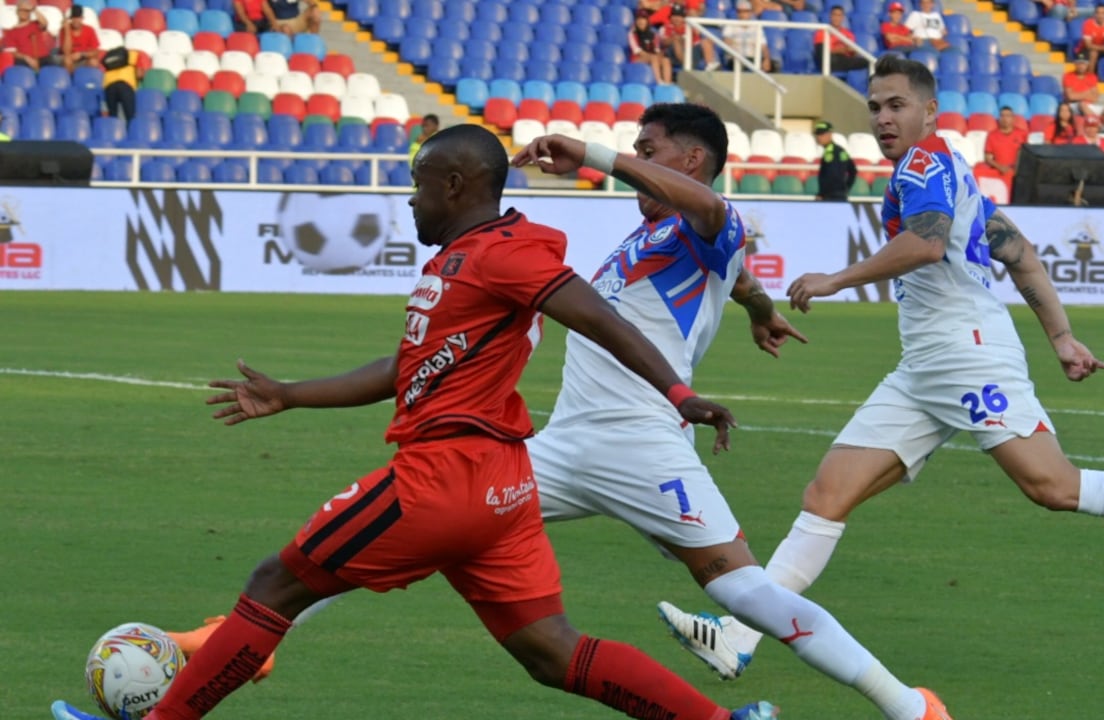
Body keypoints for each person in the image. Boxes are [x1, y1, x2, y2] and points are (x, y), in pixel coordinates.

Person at [152, 104, 958, 720]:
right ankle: (247, 640)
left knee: (741, 591)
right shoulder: (651, 243)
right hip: (559, 447)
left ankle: (906, 705)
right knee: (431, 538)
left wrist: (600, 156)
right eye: (634, 151)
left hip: (645, 445)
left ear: (692, 161)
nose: (637, 164)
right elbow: (730, 271)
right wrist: (750, 304)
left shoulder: (709, 219)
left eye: (650, 152)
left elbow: (717, 224)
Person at [48, 124, 778, 720]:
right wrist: (291, 394)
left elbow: (591, 314)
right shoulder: (462, 261)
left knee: (276, 584)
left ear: (455, 184)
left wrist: (678, 396)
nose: (410, 199)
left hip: (443, 480)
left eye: (419, 184)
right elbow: (405, 368)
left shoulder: (505, 253)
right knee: (551, 652)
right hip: (502, 490)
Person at [657, 53, 1104, 684]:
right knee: (827, 493)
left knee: (1054, 487)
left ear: (930, 111)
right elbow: (1020, 253)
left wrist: (838, 278)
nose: (883, 118)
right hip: (926, 365)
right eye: (874, 107)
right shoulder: (952, 170)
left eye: (896, 105)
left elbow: (924, 243)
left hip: (966, 352)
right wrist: (1060, 336)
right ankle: (737, 636)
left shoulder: (925, 164)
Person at [662, 5, 719, 71]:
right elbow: (664, 43)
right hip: (675, 55)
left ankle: (710, 65)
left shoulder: (689, 25)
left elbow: (698, 36)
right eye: (674, 15)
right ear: (671, 17)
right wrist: (675, 38)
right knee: (676, 42)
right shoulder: (667, 27)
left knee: (706, 41)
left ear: (684, 18)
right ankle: (686, 66)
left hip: (692, 52)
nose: (676, 18)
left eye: (679, 16)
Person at [2, 0, 55, 70]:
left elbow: (45, 23)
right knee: (19, 66)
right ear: (17, 12)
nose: (24, 13)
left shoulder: (36, 24)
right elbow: (12, 52)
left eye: (27, 11)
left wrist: (34, 9)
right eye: (22, 10)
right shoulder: (11, 32)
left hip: (43, 58)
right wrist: (27, 58)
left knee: (53, 65)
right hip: (25, 60)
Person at [721, 0, 772, 72]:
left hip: (752, 58)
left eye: (745, 11)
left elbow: (763, 46)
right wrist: (734, 53)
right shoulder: (730, 25)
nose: (742, 14)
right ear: (737, 13)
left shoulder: (756, 26)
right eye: (740, 11)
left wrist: (767, 59)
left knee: (772, 65)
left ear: (750, 12)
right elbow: (727, 42)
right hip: (736, 58)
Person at [813, 6, 867, 73]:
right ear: (830, 16)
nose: (836, 18)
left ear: (842, 17)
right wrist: (837, 50)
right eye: (834, 15)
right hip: (829, 59)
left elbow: (852, 52)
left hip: (844, 59)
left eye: (839, 15)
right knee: (829, 58)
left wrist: (852, 51)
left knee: (866, 61)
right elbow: (821, 52)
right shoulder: (822, 32)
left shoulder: (848, 34)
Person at [982, 106, 1027, 183]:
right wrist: (1000, 167)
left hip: (1017, 172)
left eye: (1008, 116)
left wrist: (1016, 167)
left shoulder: (1022, 134)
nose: (1005, 119)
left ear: (1013, 118)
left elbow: (1025, 155)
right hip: (998, 172)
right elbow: (988, 158)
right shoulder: (992, 135)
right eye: (1002, 116)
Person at [813, 120, 856, 200]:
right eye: (817, 134)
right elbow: (853, 170)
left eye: (822, 134)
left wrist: (822, 193)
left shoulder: (831, 152)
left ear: (830, 134)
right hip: (840, 195)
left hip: (830, 197)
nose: (818, 137)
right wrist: (845, 189)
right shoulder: (840, 150)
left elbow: (830, 176)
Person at [629, 10, 674, 85]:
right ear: (636, 21)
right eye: (639, 19)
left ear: (647, 21)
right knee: (654, 57)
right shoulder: (632, 34)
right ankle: (659, 82)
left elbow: (656, 49)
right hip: (637, 59)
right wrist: (653, 56)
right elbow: (637, 51)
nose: (641, 21)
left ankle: (667, 83)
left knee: (665, 59)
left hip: (652, 57)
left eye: (643, 19)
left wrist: (660, 55)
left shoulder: (654, 34)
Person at [1078, 5, 1104, 75]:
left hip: (1101, 48)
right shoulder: (1088, 23)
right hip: (1085, 49)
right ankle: (1090, 77)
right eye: (1098, 13)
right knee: (1094, 53)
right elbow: (1088, 45)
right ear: (1095, 14)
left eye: (1103, 13)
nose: (1100, 16)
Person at [101, 47, 140, 122]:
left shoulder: (110, 56)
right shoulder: (135, 55)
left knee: (112, 116)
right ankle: (130, 132)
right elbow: (139, 74)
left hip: (109, 86)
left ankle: (113, 132)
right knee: (130, 116)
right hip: (125, 85)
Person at [57, 5, 100, 72]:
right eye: (74, 18)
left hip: (83, 59)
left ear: (82, 18)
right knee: (67, 60)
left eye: (78, 18)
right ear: (71, 19)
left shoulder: (89, 30)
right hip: (69, 60)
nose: (76, 21)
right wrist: (67, 31)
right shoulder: (64, 30)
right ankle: (70, 80)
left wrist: (81, 55)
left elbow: (96, 52)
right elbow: (66, 52)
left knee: (93, 62)